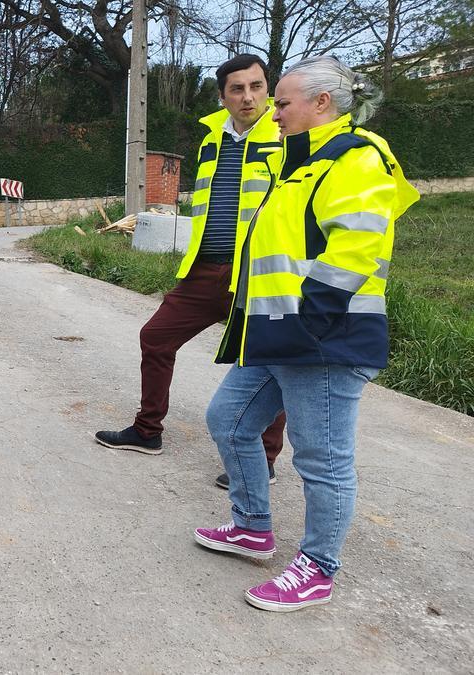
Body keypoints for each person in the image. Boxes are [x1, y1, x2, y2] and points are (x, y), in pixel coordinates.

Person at [194, 55, 418, 612]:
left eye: (282, 102)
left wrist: (311, 326)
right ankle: (251, 527)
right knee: (229, 420)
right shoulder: (300, 162)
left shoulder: (355, 158)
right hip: (279, 333)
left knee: (322, 459)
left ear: (322, 104)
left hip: (323, 338)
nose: (273, 113)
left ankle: (318, 568)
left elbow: (355, 249)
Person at [95, 54, 287, 488]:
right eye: (237, 89)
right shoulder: (211, 142)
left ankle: (265, 458)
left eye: (256, 86)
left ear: (267, 89)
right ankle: (147, 432)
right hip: (206, 268)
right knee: (156, 336)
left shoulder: (286, 137)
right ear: (222, 97)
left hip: (260, 271)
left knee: (267, 359)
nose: (248, 97)